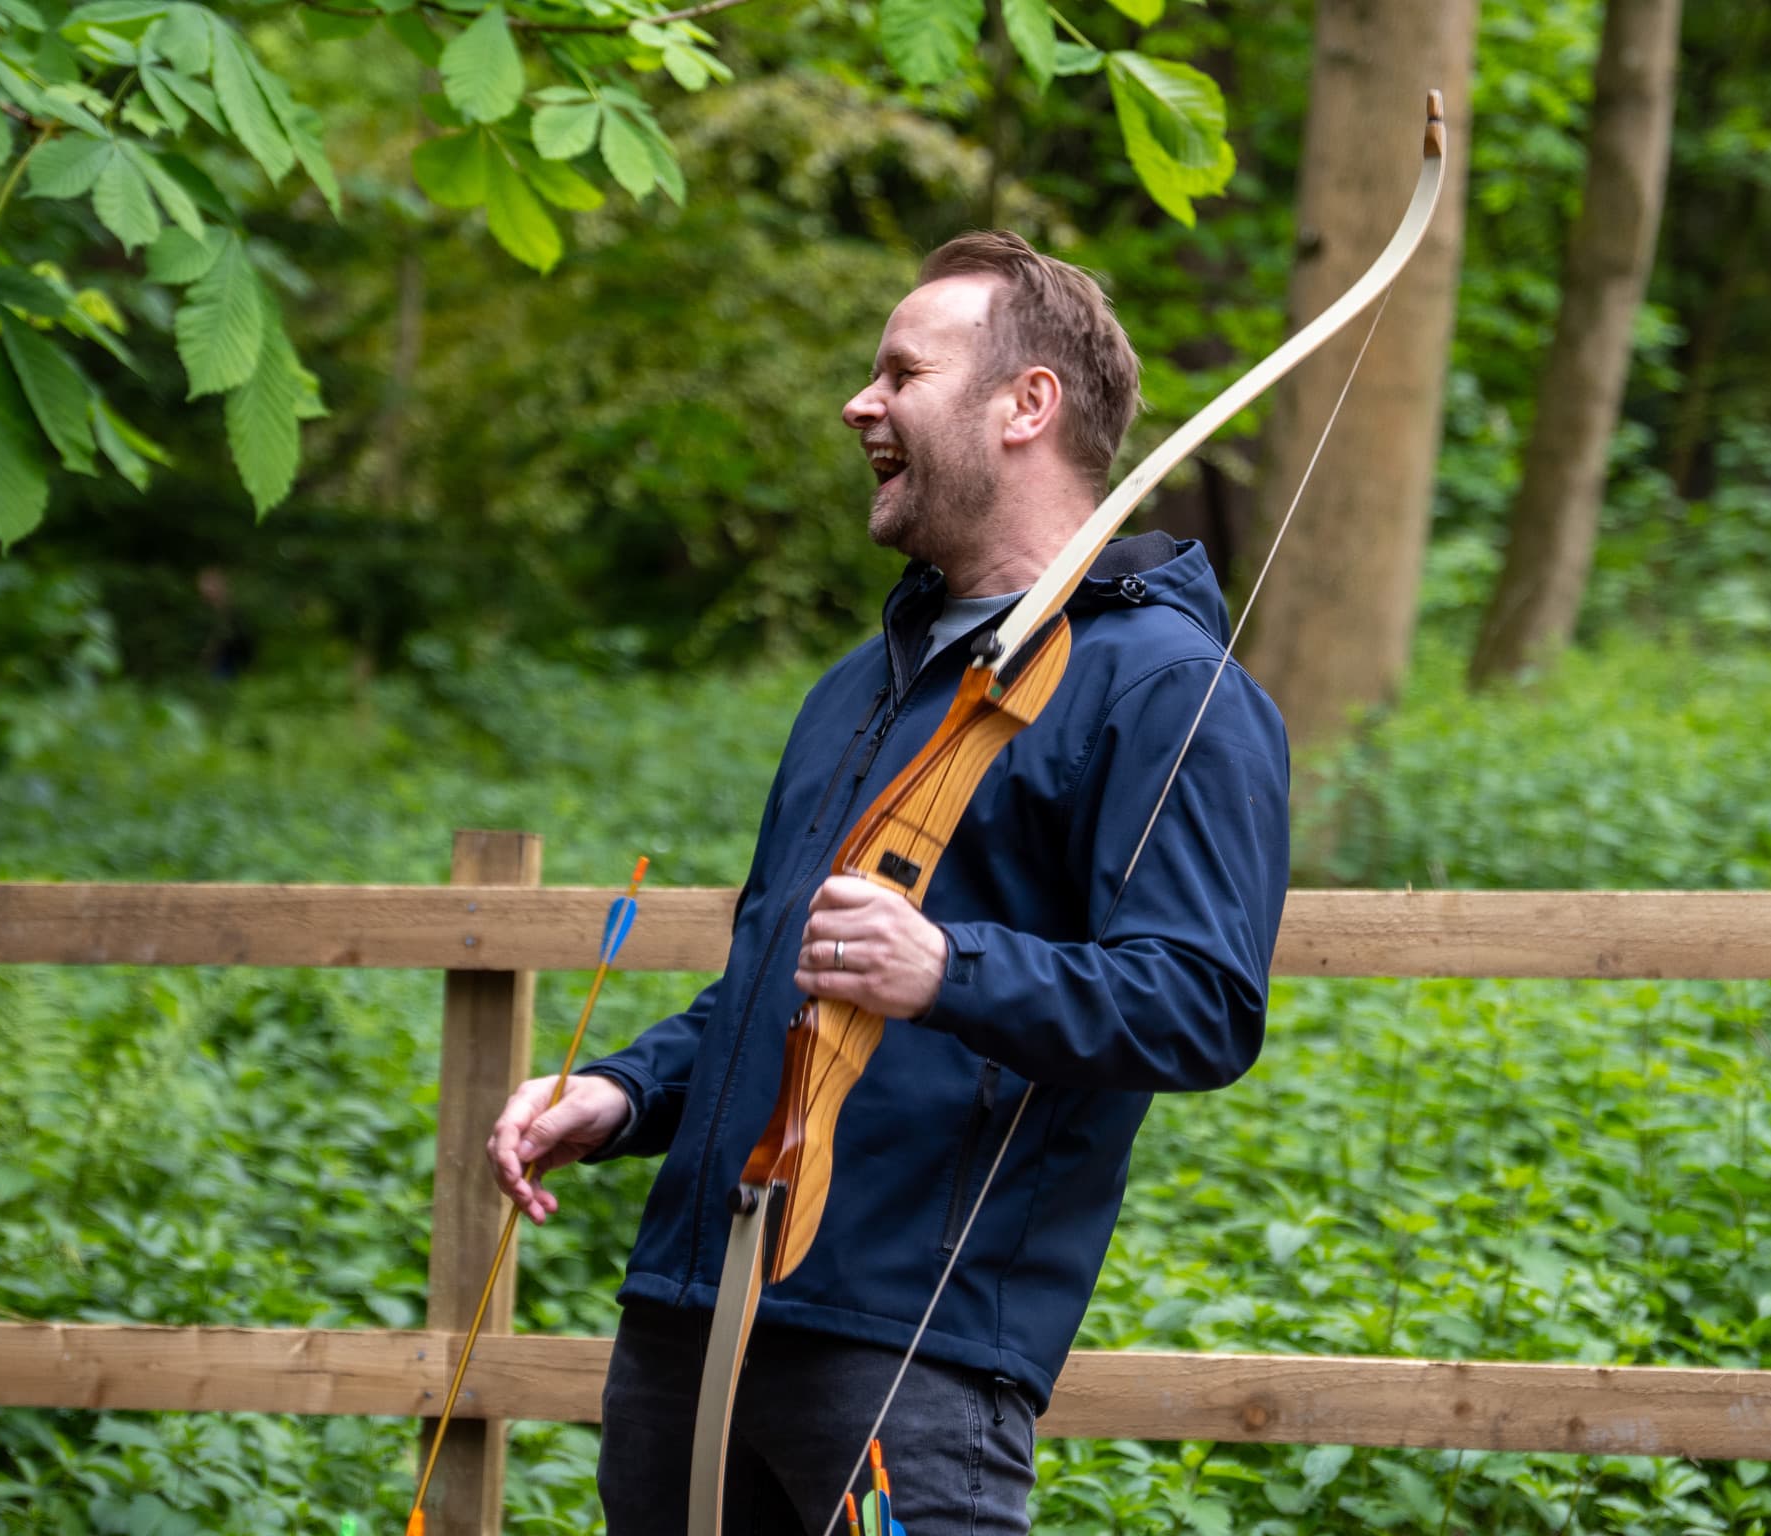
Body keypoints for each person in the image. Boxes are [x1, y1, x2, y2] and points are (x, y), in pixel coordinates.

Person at [488, 231, 1291, 1535]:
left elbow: (1201, 1003)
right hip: (692, 1327)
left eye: (900, 372)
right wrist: (623, 1093)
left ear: (1026, 404)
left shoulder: (1167, 690)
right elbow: (778, 987)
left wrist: (946, 969)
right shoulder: (857, 692)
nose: (860, 404)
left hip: (910, 1353)